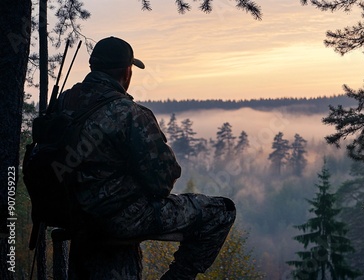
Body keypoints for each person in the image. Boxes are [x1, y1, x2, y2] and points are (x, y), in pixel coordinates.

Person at [58, 36, 236, 279]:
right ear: (126, 71)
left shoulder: (64, 102)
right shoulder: (129, 113)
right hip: (117, 220)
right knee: (221, 211)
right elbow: (162, 181)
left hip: (70, 214)